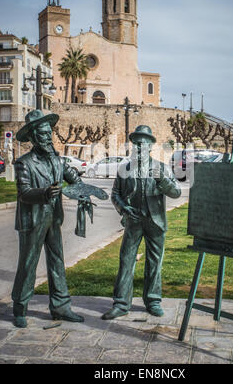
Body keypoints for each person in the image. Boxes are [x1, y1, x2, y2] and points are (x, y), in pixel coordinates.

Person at [12, 110, 84, 328]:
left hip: (53, 220)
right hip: (32, 220)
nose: (47, 138)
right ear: (33, 137)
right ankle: (20, 307)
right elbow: (23, 192)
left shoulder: (56, 160)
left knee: (57, 262)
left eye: (48, 133)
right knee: (28, 264)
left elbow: (73, 179)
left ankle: (61, 307)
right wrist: (43, 193)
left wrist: (81, 189)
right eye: (42, 134)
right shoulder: (24, 163)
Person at [102, 126, 181, 320]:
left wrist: (162, 179)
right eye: (135, 142)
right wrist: (122, 208)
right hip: (133, 222)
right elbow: (115, 195)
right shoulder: (124, 169)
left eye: (142, 143)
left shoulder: (161, 168)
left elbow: (176, 192)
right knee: (126, 261)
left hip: (155, 222)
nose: (138, 146)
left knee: (154, 263)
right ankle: (121, 303)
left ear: (150, 146)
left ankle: (153, 301)